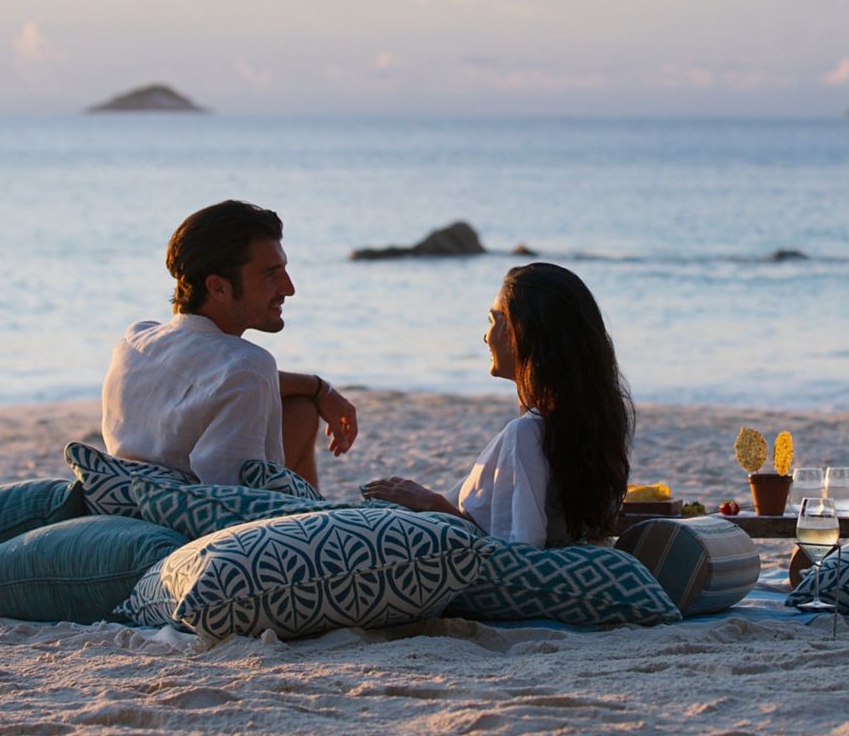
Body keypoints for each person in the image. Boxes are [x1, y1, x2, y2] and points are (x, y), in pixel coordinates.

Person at [362, 262, 632, 547]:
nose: (486, 336)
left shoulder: (528, 434)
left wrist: (431, 503)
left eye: (493, 321)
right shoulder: (599, 424)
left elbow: (519, 552)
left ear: (521, 331)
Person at [102, 200, 358, 488]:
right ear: (219, 287)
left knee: (300, 409)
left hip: (134, 496)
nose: (289, 288)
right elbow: (237, 497)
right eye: (270, 274)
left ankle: (311, 512)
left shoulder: (135, 340)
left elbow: (212, 379)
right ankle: (309, 521)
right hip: (196, 516)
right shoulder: (248, 365)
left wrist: (318, 388)